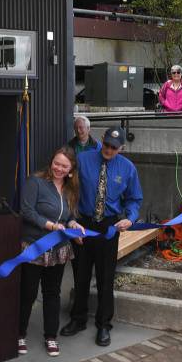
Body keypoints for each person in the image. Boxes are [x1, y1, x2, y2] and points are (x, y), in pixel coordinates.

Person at [61, 127, 142, 347]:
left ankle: (104, 325)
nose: (108, 149)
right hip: (84, 224)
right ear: (102, 142)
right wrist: (70, 219)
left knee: (106, 278)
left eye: (114, 147)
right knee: (80, 275)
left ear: (121, 148)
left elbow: (134, 199)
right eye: (106, 144)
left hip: (109, 227)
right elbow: (68, 190)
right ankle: (78, 319)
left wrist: (130, 218)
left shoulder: (128, 168)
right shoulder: (83, 160)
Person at [18, 147, 84, 358]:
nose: (59, 168)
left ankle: (51, 336)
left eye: (64, 166)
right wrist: (50, 226)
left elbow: (70, 216)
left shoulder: (70, 190)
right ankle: (19, 334)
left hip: (58, 249)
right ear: (51, 162)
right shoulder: (35, 182)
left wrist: (74, 224)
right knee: (28, 293)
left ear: (71, 169)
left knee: (52, 293)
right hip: (35, 246)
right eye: (57, 163)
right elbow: (26, 211)